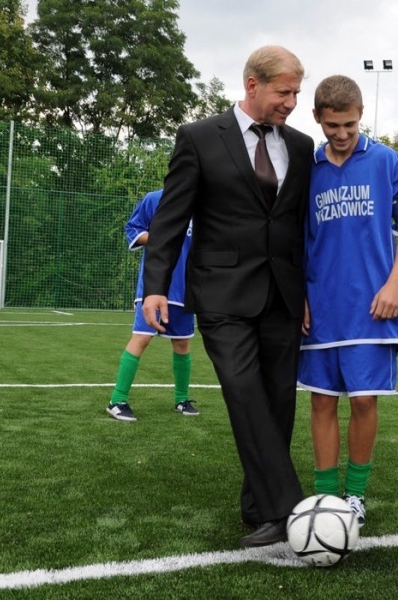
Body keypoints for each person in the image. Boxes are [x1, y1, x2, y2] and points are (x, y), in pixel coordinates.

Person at [142, 45, 313, 548]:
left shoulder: (301, 146)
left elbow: (299, 224)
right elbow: (170, 219)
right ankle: (289, 509)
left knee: (278, 402)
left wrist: (307, 290)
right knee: (244, 391)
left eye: (296, 93)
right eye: (284, 92)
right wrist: (156, 286)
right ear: (252, 84)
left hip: (284, 295)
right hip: (221, 293)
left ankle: (258, 509)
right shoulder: (198, 137)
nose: (292, 103)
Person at [298, 75, 398, 526]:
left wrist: (395, 283)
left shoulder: (386, 161)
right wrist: (299, 295)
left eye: (349, 124)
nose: (342, 134)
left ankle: (355, 495)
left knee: (365, 401)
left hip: (373, 306)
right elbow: (295, 239)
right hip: (321, 306)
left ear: (361, 115)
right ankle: (326, 496)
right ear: (317, 118)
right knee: (322, 401)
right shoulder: (306, 169)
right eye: (332, 126)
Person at [107, 189, 197, 422]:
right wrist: (162, 238)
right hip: (153, 286)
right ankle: (117, 400)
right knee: (142, 337)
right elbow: (133, 229)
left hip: (185, 289)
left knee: (182, 342)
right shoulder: (155, 199)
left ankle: (182, 399)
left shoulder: (202, 206)